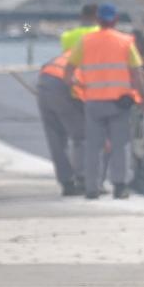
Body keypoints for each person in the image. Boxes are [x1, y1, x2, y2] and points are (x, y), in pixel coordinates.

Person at [69, 3, 144, 200]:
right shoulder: (125, 42)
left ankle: (92, 188)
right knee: (120, 144)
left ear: (98, 20)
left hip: (93, 102)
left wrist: (78, 87)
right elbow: (137, 74)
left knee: (93, 146)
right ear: (115, 20)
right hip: (119, 103)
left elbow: (69, 71)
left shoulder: (85, 41)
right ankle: (120, 187)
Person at [35, 49, 83, 196]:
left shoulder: (73, 53)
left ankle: (66, 182)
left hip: (44, 82)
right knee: (82, 136)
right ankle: (84, 180)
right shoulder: (95, 61)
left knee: (55, 137)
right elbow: (85, 95)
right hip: (62, 86)